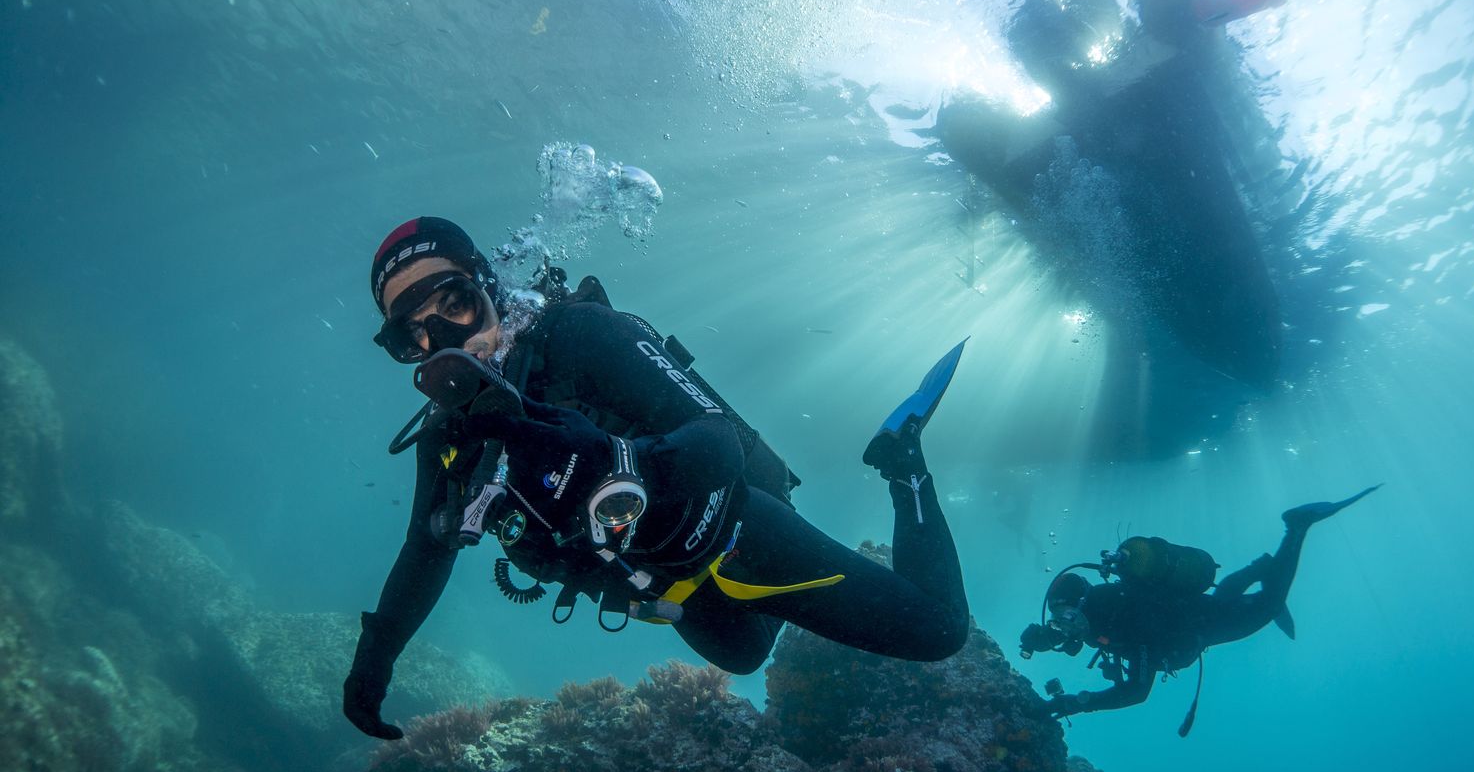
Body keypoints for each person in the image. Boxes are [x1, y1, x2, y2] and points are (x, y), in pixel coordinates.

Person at [344, 216, 970, 740]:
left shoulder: (578, 336)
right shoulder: (448, 435)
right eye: (413, 331)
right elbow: (427, 550)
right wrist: (376, 658)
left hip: (731, 530)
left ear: (488, 284)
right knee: (746, 655)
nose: (444, 335)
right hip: (659, 584)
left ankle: (902, 456)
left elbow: (716, 437)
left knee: (936, 631)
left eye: (454, 301)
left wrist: (622, 464)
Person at [1018, 485, 1378, 729]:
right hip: (1198, 607)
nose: (1066, 626)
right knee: (1223, 595)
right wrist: (1045, 639)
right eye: (1060, 620)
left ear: (1081, 603)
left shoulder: (1126, 619)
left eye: (1066, 618)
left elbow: (1136, 692)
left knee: (1267, 606)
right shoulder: (1101, 608)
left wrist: (1078, 703)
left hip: (1206, 625)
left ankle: (1296, 528)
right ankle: (1258, 568)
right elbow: (1078, 632)